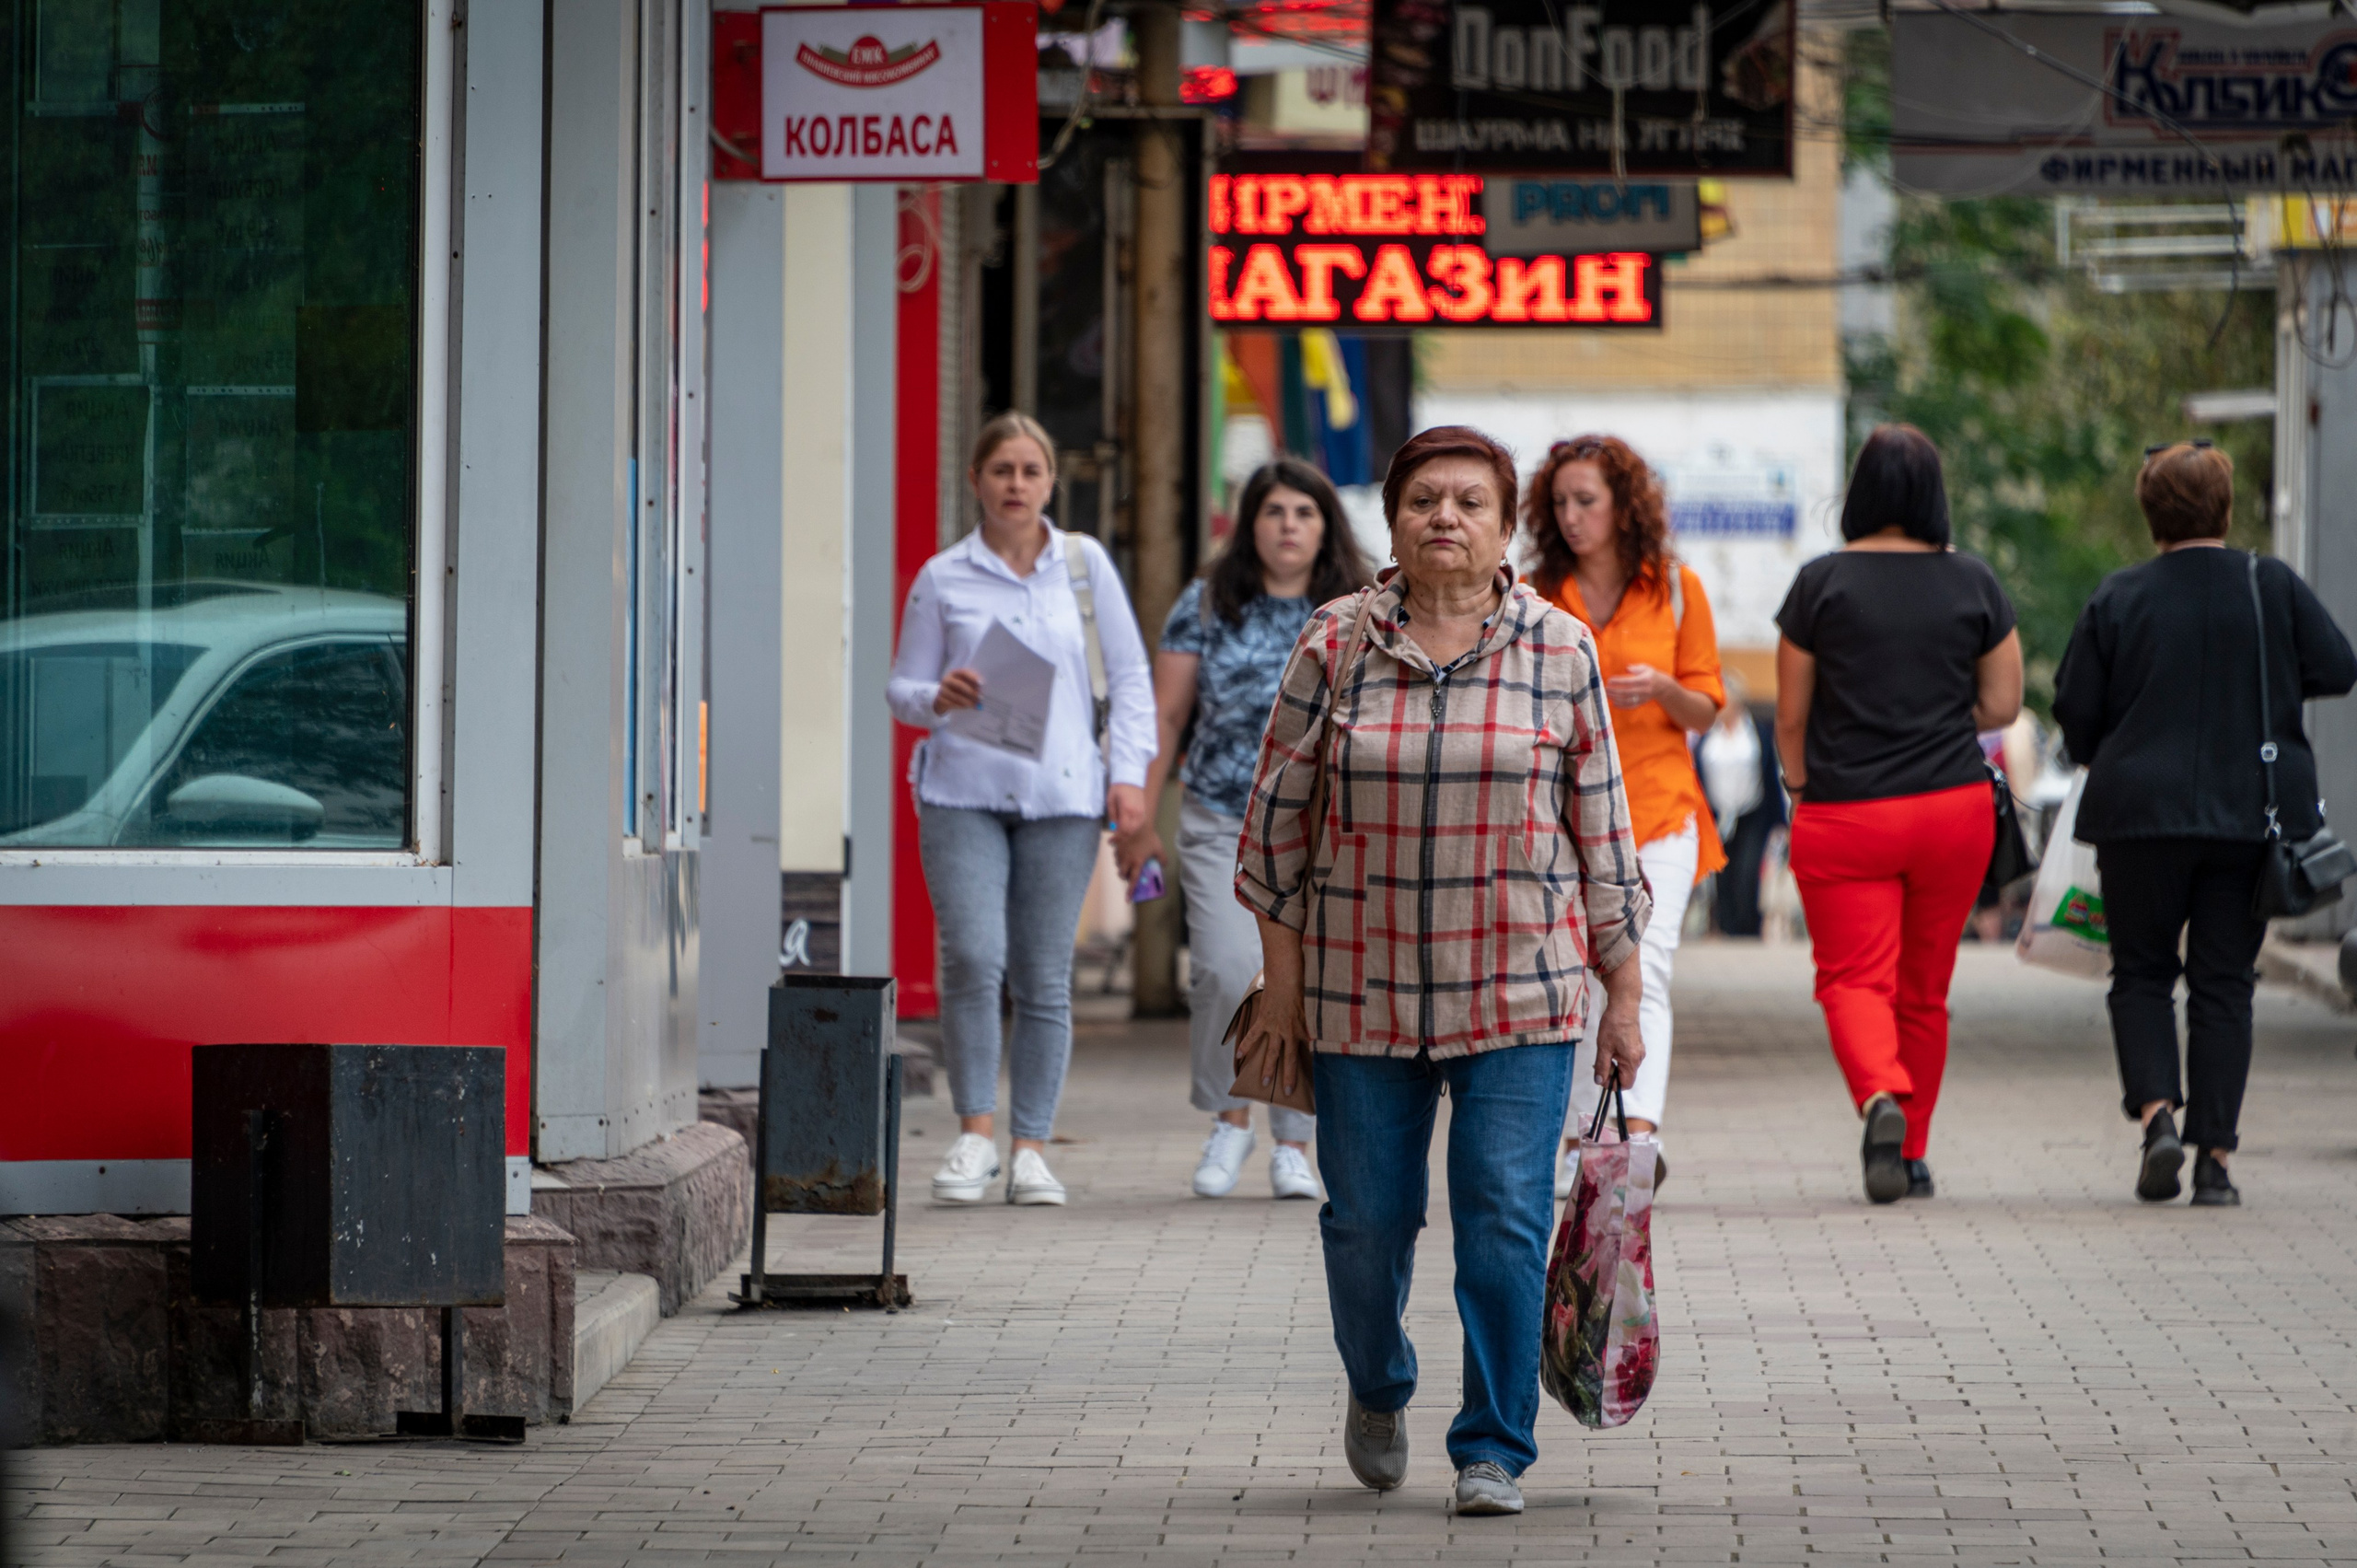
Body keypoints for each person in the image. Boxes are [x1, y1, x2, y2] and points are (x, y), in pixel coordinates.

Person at [1233, 425, 1650, 1517]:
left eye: (1469, 501)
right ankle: (1377, 1384)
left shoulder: (1560, 649)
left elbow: (1605, 837)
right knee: (1365, 1223)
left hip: (1521, 990)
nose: (1445, 518)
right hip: (1358, 990)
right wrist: (1281, 987)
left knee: (1503, 1219)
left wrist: (1624, 995)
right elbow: (1273, 831)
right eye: (1423, 500)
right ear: (1392, 522)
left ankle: (1493, 1445)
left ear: (1506, 527)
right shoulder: (1335, 642)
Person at [2053, 442, 2355, 1208]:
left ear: (2150, 513)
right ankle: (2215, 1160)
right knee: (2225, 983)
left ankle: (2158, 1116)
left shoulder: (2119, 595)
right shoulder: (2269, 585)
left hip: (2137, 819)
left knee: (2141, 972)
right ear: (2225, 509)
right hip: (2247, 819)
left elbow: (2076, 710)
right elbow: (2339, 666)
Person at [888, 412, 1157, 1207]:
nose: (1016, 484)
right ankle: (974, 1136)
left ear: (1051, 481)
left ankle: (1031, 1147)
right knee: (974, 957)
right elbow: (901, 688)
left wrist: (1129, 777)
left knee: (1043, 974)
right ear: (974, 480)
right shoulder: (943, 576)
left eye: (1030, 470)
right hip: (962, 791)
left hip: (1063, 797)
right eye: (1001, 470)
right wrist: (937, 696)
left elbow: (1131, 679)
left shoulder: (1084, 566)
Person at [1773, 424, 2023, 1205]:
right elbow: (2003, 703)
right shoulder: (1974, 581)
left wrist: (1799, 786)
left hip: (1846, 811)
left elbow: (1791, 715)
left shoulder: (1820, 584)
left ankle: (1880, 1093)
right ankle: (1910, 1153)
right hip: (1953, 809)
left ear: (1861, 493)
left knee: (1853, 978)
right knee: (1924, 989)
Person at [1115, 459, 1374, 1202]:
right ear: (1248, 524)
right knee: (1226, 970)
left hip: (1323, 827)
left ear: (1325, 526)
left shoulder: (1358, 608)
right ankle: (1230, 1118)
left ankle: (1293, 1141)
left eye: (1304, 512)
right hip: (1220, 815)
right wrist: (1139, 815)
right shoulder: (1206, 602)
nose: (1288, 525)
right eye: (1273, 511)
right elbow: (1168, 714)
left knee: (1310, 981)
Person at [1527, 435, 1724, 1194]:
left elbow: (1707, 707)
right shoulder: (1536, 592)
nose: (1571, 516)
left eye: (1587, 500)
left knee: (1646, 967)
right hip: (1567, 817)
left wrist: (1664, 689)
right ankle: (1586, 1137)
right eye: (1560, 503)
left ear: (1624, 506)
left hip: (1661, 811)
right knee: (1579, 977)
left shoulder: (1675, 587)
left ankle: (1635, 1135)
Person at [1698, 672, 1787, 937]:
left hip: (1751, 813)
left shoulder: (1755, 732)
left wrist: (1781, 819)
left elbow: (1770, 775)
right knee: (1722, 873)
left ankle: (1748, 928)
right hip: (1719, 815)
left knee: (1747, 872)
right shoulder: (1708, 734)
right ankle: (1727, 927)